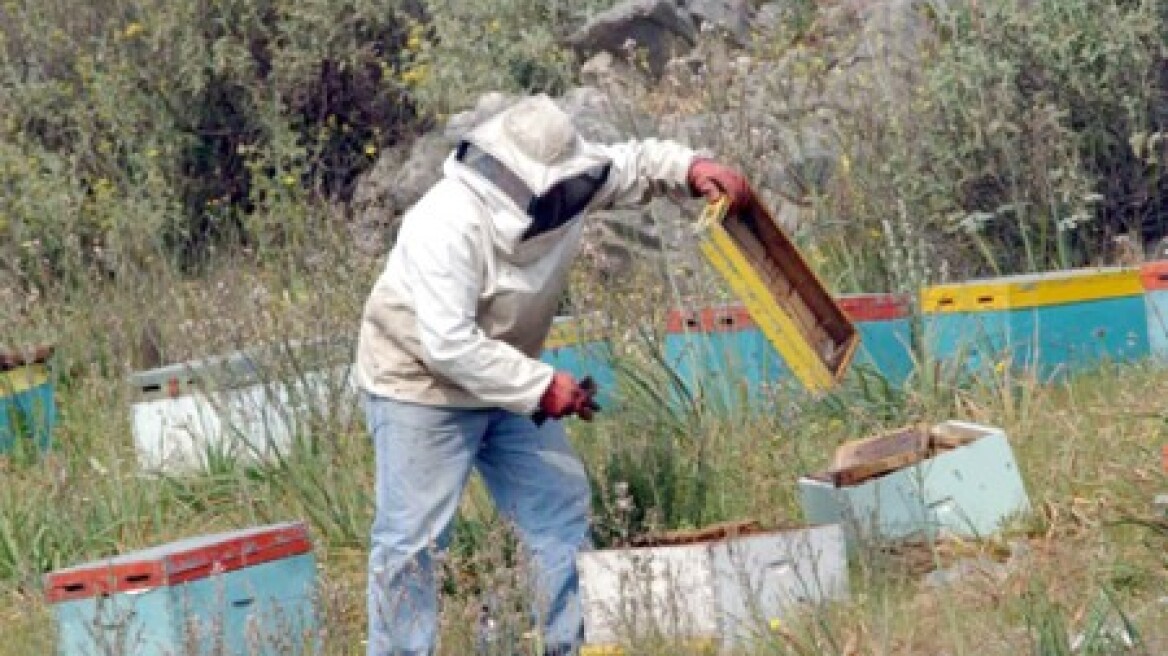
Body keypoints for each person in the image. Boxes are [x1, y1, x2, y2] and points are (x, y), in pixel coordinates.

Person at [354, 93, 754, 656]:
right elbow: (448, 344)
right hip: (421, 385)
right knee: (413, 542)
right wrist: (541, 386)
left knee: (559, 512)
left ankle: (573, 645)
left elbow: (635, 164)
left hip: (509, 380)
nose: (563, 200)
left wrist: (692, 168)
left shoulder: (570, 182)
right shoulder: (444, 223)